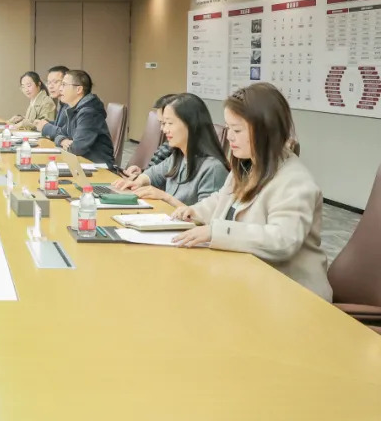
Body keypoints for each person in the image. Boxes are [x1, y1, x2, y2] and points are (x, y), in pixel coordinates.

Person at [172, 83, 330, 300]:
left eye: (237, 130)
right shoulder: (248, 164)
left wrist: (217, 232)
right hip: (250, 278)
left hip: (291, 293)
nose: (229, 137)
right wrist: (195, 211)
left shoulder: (295, 182)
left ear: (266, 131)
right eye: (228, 129)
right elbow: (224, 200)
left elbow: (282, 240)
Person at [111, 93, 229, 208]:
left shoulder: (213, 168)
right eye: (164, 123)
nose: (164, 129)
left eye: (169, 123)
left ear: (191, 124)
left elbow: (205, 217)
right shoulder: (179, 156)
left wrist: (165, 197)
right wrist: (137, 182)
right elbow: (152, 174)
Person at [52, 70, 115, 165]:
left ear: (78, 89)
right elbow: (58, 134)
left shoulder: (89, 113)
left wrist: (67, 143)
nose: (60, 89)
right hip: (82, 163)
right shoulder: (74, 109)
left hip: (99, 167)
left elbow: (77, 148)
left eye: (64, 85)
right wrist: (63, 140)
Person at [123, 93, 178, 178]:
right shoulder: (170, 146)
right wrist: (142, 172)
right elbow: (157, 174)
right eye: (162, 123)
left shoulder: (183, 155)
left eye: (168, 123)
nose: (163, 129)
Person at [34, 65, 70, 140]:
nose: (50, 86)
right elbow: (60, 125)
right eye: (49, 82)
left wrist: (45, 126)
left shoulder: (71, 104)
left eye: (55, 82)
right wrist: (45, 123)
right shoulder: (63, 103)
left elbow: (67, 133)